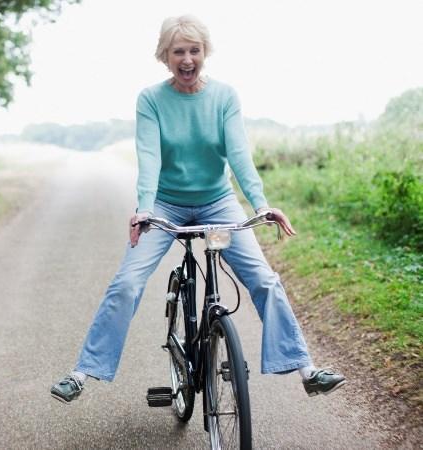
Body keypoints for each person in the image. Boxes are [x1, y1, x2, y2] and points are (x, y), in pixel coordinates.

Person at [50, 14, 345, 403]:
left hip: (217, 205)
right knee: (127, 283)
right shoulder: (152, 100)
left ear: (204, 53)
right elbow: (149, 158)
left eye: (194, 51)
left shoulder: (223, 97)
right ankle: (83, 372)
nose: (187, 59)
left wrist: (261, 205)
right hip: (166, 207)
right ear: (164, 56)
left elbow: (239, 156)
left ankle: (307, 370)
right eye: (178, 52)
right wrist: (144, 209)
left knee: (264, 279)